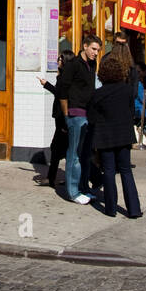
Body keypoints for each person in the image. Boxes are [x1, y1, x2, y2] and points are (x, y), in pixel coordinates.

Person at [87, 54, 142, 218]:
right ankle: (134, 209)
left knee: (109, 171)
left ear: (102, 74)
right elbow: (132, 112)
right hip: (124, 135)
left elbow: (91, 117)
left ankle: (111, 208)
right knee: (126, 171)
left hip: (105, 137)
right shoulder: (127, 90)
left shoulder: (98, 93)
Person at [59, 34, 101, 204]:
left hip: (89, 113)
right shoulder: (73, 65)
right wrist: (66, 114)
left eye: (98, 50)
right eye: (93, 49)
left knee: (85, 154)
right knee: (74, 154)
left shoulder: (93, 64)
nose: (96, 53)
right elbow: (62, 90)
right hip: (75, 113)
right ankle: (72, 191)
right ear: (84, 46)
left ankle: (84, 187)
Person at [35, 50, 75, 186]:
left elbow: (61, 95)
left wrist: (46, 85)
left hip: (64, 117)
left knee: (59, 148)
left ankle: (92, 177)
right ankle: (58, 177)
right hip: (61, 117)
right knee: (61, 148)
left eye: (60, 59)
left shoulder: (66, 78)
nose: (58, 61)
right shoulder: (63, 76)